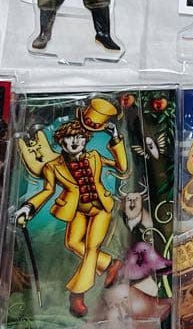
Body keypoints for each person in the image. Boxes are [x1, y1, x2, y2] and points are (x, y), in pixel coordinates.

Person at [14, 100, 127, 317]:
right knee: (72, 243)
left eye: (79, 138)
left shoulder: (94, 157)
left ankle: (77, 295)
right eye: (69, 138)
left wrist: (115, 139)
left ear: (85, 140)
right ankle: (111, 263)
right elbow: (47, 191)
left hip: (101, 208)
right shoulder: (53, 166)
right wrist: (28, 207)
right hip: (77, 211)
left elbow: (121, 167)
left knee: (91, 248)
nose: (74, 142)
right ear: (61, 141)